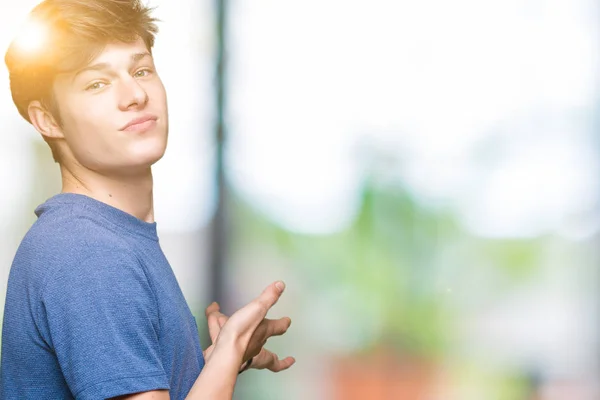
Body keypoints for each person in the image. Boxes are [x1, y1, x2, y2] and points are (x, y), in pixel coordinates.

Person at [0, 0, 295, 399]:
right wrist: (225, 355)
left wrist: (228, 354)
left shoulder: (108, 238)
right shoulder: (87, 251)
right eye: (97, 83)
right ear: (48, 120)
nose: (135, 94)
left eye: (141, 70)